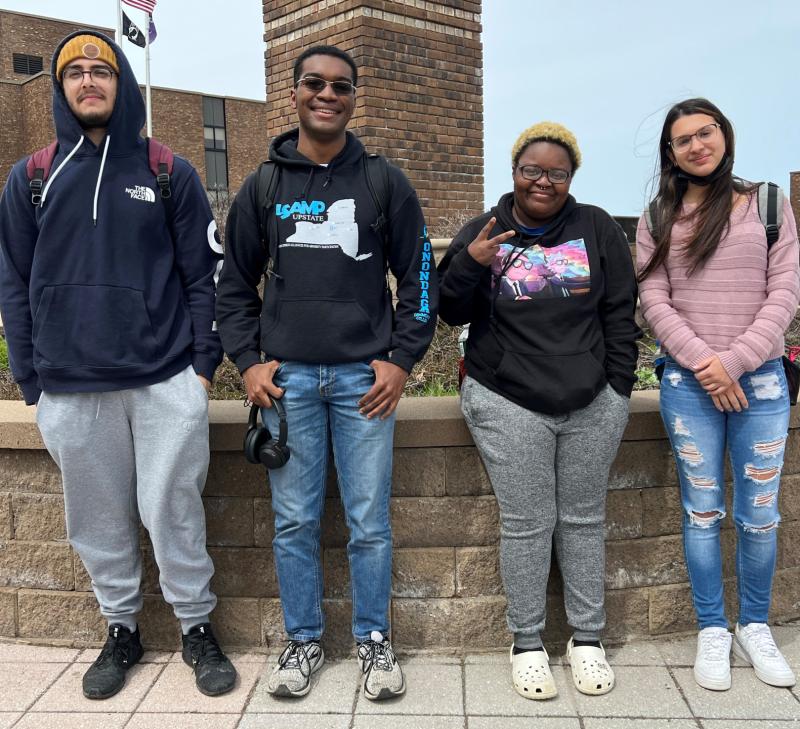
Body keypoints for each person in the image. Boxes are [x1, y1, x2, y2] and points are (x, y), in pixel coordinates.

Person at [0, 31, 236, 699]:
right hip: (71, 387)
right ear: (60, 88)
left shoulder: (169, 170)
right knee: (98, 518)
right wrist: (32, 381)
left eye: (100, 69)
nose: (87, 80)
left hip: (164, 379)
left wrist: (199, 371)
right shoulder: (32, 176)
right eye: (73, 72)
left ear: (121, 82)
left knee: (174, 510)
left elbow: (204, 277)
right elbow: (12, 282)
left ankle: (196, 626)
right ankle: (121, 628)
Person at [216, 44, 437, 700]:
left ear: (352, 97)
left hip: (360, 385)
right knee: (294, 520)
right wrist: (249, 363)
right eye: (314, 83)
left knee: (369, 520)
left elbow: (419, 277)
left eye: (341, 86)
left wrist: (400, 360)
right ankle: (304, 639)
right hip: (287, 385)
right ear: (295, 95)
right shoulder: (263, 186)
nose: (327, 94)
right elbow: (232, 287)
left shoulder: (382, 182)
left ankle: (374, 640)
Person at [437, 122, 639, 700]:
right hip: (507, 397)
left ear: (570, 177)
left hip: (591, 400)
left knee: (583, 520)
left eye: (556, 172)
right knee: (527, 524)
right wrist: (472, 263)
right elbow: (449, 312)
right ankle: (526, 642)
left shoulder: (596, 228)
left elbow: (620, 313)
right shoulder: (485, 229)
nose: (543, 181)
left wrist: (618, 391)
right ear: (514, 173)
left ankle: (587, 639)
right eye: (532, 170)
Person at [637, 98, 799, 691]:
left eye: (705, 132)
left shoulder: (769, 205)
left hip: (760, 382)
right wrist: (706, 365)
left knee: (759, 514)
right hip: (688, 384)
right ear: (671, 153)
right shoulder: (659, 217)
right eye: (683, 140)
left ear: (724, 135)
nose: (697, 145)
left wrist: (731, 363)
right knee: (701, 510)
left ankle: (754, 625)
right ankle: (713, 627)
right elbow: (654, 300)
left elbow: (784, 294)